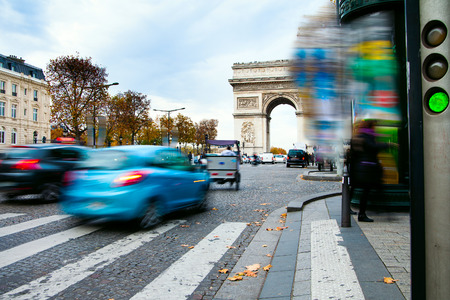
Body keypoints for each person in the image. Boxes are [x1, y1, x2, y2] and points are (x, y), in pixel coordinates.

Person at [350, 120, 396, 222]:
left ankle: (371, 212)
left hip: (361, 169)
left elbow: (353, 155)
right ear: (370, 127)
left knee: (368, 191)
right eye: (374, 126)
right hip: (368, 170)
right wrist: (388, 145)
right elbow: (373, 147)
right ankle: (363, 214)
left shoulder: (357, 137)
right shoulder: (366, 137)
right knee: (368, 192)